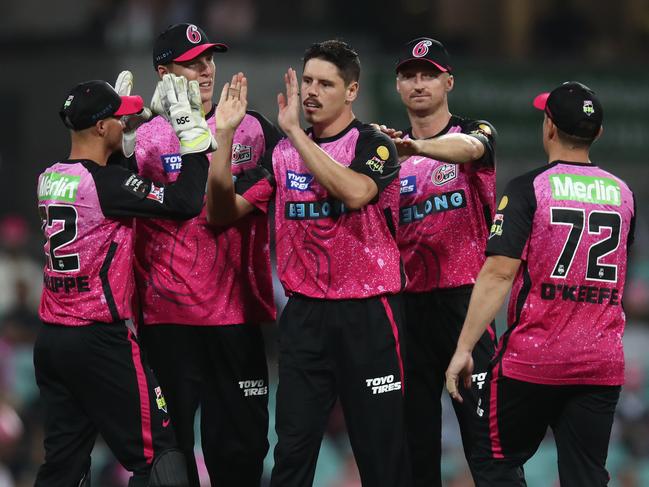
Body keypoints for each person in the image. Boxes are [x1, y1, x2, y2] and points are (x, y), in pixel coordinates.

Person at [216, 39, 410, 487]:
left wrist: (297, 135)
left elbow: (357, 193)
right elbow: (222, 213)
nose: (311, 92)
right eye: (307, 81)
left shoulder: (374, 143)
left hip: (369, 313)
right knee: (292, 451)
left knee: (381, 452)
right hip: (304, 317)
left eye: (325, 83)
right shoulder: (279, 157)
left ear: (352, 91)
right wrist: (224, 139)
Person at [446, 81, 636, 486]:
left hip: (532, 361)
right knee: (586, 476)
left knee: (494, 461)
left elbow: (499, 272)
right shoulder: (624, 195)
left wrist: (464, 348)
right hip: (599, 363)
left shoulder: (529, 188)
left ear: (549, 127)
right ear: (597, 133)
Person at [34, 74, 217, 486]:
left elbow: (107, 186)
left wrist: (123, 147)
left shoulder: (48, 177)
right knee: (160, 452)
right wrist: (194, 142)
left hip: (51, 339)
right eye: (120, 119)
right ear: (101, 127)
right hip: (99, 340)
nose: (127, 125)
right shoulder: (108, 184)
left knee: (63, 463)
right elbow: (185, 202)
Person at [133, 23, 281, 487]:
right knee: (168, 458)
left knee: (242, 452)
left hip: (236, 316)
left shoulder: (253, 128)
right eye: (191, 61)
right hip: (166, 317)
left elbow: (300, 170)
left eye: (209, 58)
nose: (205, 68)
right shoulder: (145, 138)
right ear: (164, 72)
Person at [378, 37, 497, 486]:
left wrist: (415, 149)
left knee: (485, 440)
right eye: (409, 75)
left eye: (429, 74)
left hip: (466, 305)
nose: (419, 83)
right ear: (397, 86)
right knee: (415, 444)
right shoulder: (387, 152)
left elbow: (470, 150)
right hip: (408, 308)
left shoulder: (474, 132)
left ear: (449, 81)